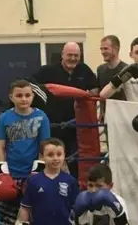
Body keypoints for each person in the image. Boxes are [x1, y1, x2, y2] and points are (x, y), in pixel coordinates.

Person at [31, 42, 99, 177]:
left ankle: (75, 189)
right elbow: (30, 85)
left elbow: (95, 88)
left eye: (76, 55)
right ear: (62, 55)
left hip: (75, 125)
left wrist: (86, 97)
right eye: (69, 55)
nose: (73, 58)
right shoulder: (48, 71)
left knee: (75, 162)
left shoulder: (84, 70)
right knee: (52, 160)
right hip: (53, 124)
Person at [0, 79, 50, 225]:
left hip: (33, 173)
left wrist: (39, 171)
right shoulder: (4, 117)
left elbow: (45, 146)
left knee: (35, 215)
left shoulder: (41, 116)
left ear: (33, 96)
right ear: (11, 97)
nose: (24, 99)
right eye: (19, 95)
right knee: (2, 219)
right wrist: (2, 172)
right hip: (11, 175)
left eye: (27, 95)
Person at [97, 35, 128, 102]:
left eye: (105, 48)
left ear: (116, 49)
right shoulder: (100, 69)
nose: (102, 52)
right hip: (105, 111)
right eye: (101, 49)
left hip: (121, 111)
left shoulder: (126, 70)